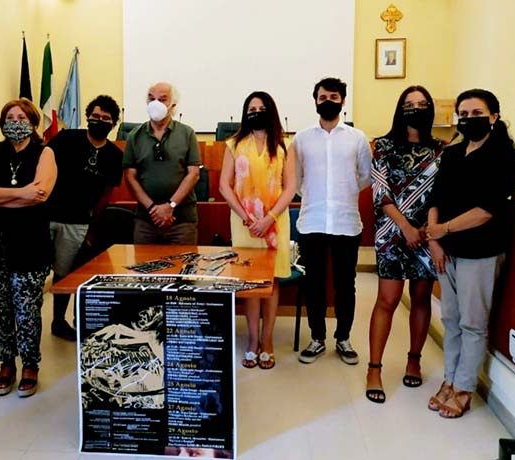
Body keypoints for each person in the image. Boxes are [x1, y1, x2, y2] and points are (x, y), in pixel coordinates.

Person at [425, 89, 515, 418]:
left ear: (493, 116)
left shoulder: (503, 154)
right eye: (463, 114)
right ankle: (449, 379)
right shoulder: (453, 153)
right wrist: (434, 239)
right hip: (445, 251)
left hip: (480, 251)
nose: (468, 119)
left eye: (476, 113)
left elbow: (487, 209)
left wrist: (445, 229)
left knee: (473, 323)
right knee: (450, 319)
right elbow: (435, 197)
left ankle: (464, 388)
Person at [365, 86, 446, 403]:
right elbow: (380, 193)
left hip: (426, 235)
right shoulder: (383, 146)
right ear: (400, 109)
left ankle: (414, 360)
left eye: (422, 104)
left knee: (422, 297)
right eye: (410, 104)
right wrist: (405, 227)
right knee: (387, 299)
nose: (416, 108)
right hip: (392, 233)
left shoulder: (441, 149)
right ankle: (374, 369)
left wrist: (427, 230)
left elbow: (440, 194)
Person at [0, 98, 57, 398]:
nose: (16, 122)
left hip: (30, 245)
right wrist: (22, 194)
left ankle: (30, 365)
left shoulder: (45, 153)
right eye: (10, 117)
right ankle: (6, 362)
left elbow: (41, 194)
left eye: (22, 118)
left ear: (33, 123)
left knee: (27, 310)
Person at [291, 77, 372, 366]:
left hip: (346, 222)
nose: (328, 101)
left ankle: (343, 338)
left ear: (343, 101)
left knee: (345, 284)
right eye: (323, 97)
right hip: (311, 221)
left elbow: (364, 176)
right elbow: (295, 179)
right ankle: (317, 338)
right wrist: (316, 194)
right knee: (314, 284)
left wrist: (342, 192)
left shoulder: (357, 138)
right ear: (315, 101)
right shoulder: (301, 139)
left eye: (334, 97)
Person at [219, 91, 296, 370]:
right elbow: (224, 186)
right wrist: (248, 217)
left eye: (261, 108)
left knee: (272, 281)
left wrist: (268, 218)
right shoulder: (234, 144)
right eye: (251, 109)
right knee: (250, 283)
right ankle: (253, 340)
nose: (255, 113)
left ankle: (268, 340)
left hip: (275, 224)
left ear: (271, 111)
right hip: (245, 225)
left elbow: (291, 187)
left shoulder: (286, 144)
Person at [46, 95, 123, 341]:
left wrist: (93, 224)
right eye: (95, 116)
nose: (99, 121)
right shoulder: (66, 138)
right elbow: (43, 166)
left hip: (78, 221)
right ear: (88, 117)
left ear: (114, 124)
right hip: (46, 216)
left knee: (65, 273)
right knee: (34, 273)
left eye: (106, 118)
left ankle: (58, 321)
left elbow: (107, 193)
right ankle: (28, 324)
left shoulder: (115, 155)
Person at [123, 82, 201, 244]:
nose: (155, 104)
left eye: (162, 99)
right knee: (143, 261)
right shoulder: (134, 136)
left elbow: (193, 174)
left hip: (181, 222)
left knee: (183, 261)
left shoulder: (187, 133)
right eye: (151, 99)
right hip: (146, 221)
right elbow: (130, 177)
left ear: (173, 105)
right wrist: (153, 209)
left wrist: (170, 206)